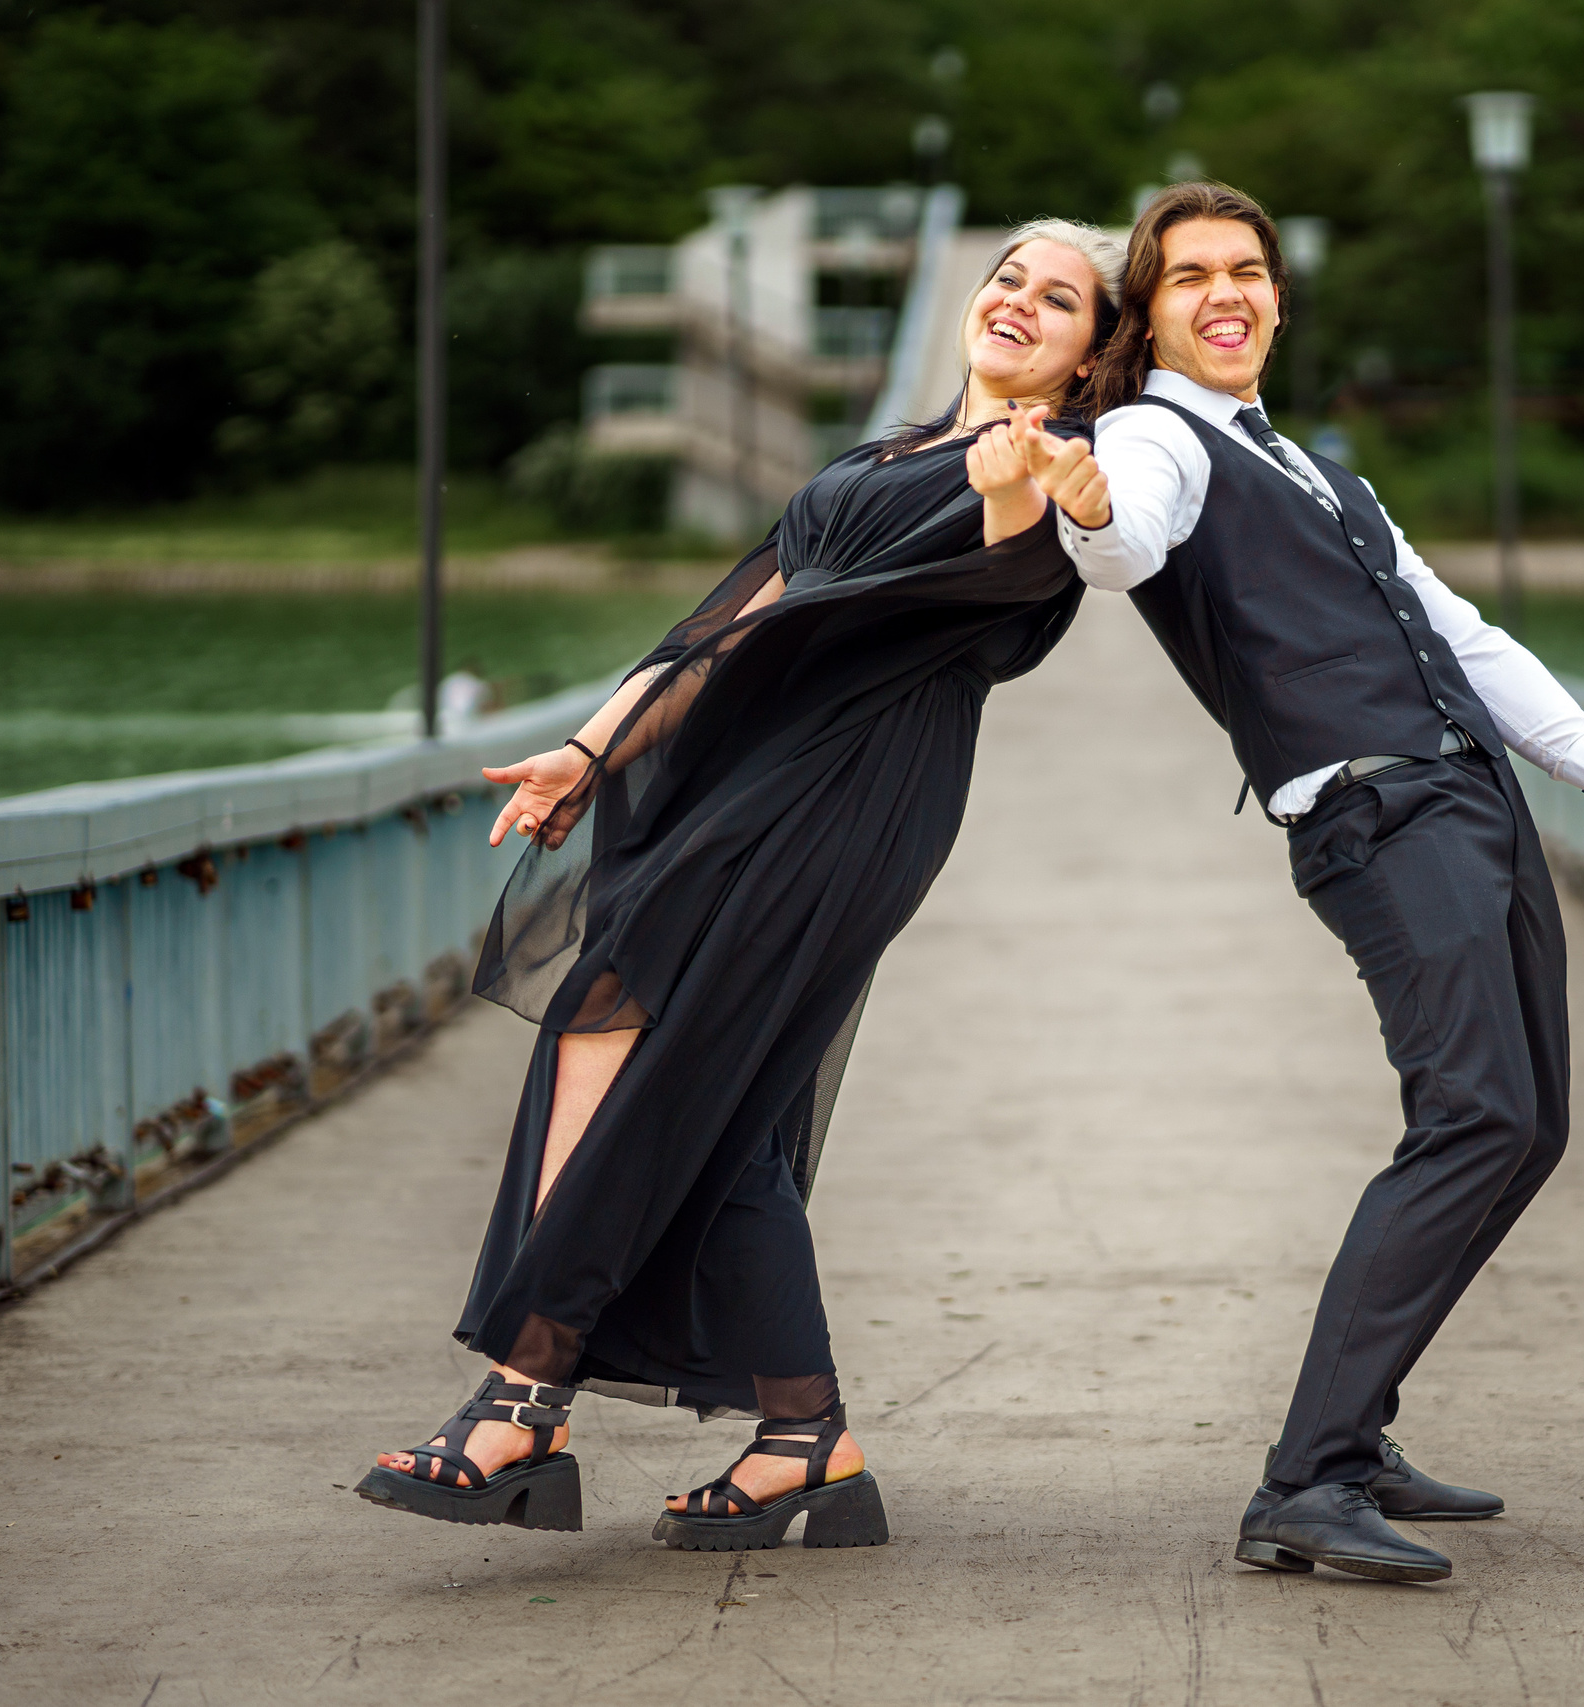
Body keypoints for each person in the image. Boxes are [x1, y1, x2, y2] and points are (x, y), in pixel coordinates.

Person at [354, 219, 1125, 1550]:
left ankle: (522, 1401)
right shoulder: (878, 454)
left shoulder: (1060, 471)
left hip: (847, 799)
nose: (1014, 300)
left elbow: (1012, 592)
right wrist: (589, 752)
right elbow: (720, 630)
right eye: (1007, 275)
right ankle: (804, 1443)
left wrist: (1020, 492)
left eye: (1055, 299)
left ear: (1088, 351)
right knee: (723, 1105)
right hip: (736, 783)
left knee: (616, 1022)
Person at [1017, 182, 1584, 1584]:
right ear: (1148, 314)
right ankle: (1308, 1479)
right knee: (1475, 1116)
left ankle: (1357, 1426)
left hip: (1474, 797)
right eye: (1194, 275)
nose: (1229, 293)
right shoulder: (1152, 437)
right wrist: (1082, 506)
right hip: (1379, 814)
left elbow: (1461, 630)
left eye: (1250, 271)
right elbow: (1126, 540)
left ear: (1276, 295)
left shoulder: (1314, 466)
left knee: (1527, 1126)